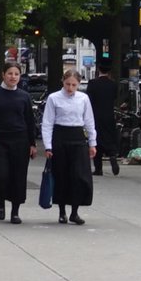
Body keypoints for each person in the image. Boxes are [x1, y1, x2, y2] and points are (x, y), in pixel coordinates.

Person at [0, 62, 38, 223]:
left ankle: (15, 211)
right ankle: (1, 202)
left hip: (20, 141)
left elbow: (29, 121)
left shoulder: (24, 96)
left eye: (16, 74)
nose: (13, 77)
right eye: (10, 73)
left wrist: (32, 144)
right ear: (3, 74)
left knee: (18, 176)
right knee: (1, 174)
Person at [42, 68, 96, 225]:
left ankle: (75, 211)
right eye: (67, 84)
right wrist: (48, 146)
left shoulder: (83, 98)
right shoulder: (54, 98)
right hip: (60, 136)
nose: (70, 88)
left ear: (78, 84)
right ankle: (62, 211)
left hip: (78, 137)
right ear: (62, 82)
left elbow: (89, 121)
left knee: (79, 176)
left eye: (74, 85)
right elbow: (47, 122)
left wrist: (92, 143)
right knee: (61, 175)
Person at [86, 60, 119, 176]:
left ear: (99, 70)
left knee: (97, 140)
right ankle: (113, 156)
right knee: (109, 138)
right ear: (109, 71)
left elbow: (88, 100)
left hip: (95, 116)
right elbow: (114, 98)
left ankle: (98, 168)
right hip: (109, 116)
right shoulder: (113, 85)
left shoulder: (92, 84)